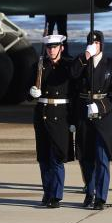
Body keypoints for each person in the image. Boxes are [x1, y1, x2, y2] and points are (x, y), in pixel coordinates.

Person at [71, 30, 112, 211]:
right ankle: (89, 192)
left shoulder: (111, 65)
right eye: (91, 42)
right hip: (84, 114)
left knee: (102, 158)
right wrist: (86, 56)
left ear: (102, 44)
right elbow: (73, 76)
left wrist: (100, 106)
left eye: (97, 43)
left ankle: (101, 197)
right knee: (86, 158)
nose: (94, 45)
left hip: (103, 117)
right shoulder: (82, 61)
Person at [29, 34, 76, 208]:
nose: (51, 50)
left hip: (61, 115)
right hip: (42, 114)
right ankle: (47, 192)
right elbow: (27, 91)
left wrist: (73, 119)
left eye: (55, 47)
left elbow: (74, 93)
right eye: (49, 47)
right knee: (43, 158)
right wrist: (31, 92)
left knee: (56, 158)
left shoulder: (68, 67)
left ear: (61, 48)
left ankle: (56, 195)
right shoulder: (39, 66)